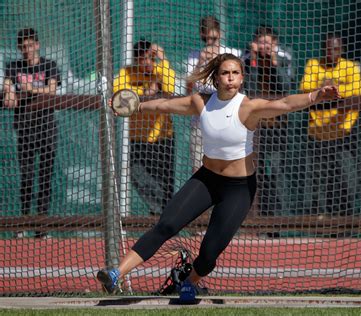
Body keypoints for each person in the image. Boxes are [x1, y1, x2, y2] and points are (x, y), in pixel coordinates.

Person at [97, 53, 340, 303]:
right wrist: (134, 105)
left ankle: (190, 282)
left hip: (239, 188)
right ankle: (116, 274)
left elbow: (287, 103)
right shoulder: (201, 102)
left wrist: (316, 96)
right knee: (167, 224)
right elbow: (163, 105)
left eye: (235, 73)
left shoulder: (249, 107)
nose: (230, 78)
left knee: (210, 250)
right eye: (225, 73)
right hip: (206, 179)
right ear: (216, 77)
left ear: (242, 78)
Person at [3, 28, 61, 238]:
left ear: (37, 44)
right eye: (23, 47)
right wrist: (9, 91)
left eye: (30, 45)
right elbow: (8, 86)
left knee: (45, 179)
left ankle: (41, 226)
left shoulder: (49, 65)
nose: (27, 50)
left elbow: (52, 90)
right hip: (25, 130)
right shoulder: (13, 67)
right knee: (27, 178)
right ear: (19, 49)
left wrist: (29, 89)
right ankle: (23, 222)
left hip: (46, 129)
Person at [299, 33, 361, 214]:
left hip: (344, 133)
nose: (331, 53)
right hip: (318, 134)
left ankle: (344, 218)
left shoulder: (349, 67)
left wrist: (330, 90)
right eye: (328, 49)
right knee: (318, 180)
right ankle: (319, 218)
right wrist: (324, 90)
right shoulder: (314, 64)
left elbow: (356, 89)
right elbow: (304, 87)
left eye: (335, 49)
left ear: (341, 50)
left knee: (346, 178)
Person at [113, 39, 176, 215]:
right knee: (136, 175)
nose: (146, 62)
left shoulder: (160, 71)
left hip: (163, 137)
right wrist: (144, 92)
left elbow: (170, 88)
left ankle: (164, 217)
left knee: (165, 182)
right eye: (142, 59)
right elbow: (119, 91)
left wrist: (162, 60)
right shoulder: (128, 72)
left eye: (149, 58)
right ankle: (158, 211)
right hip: (136, 138)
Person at [242, 25, 294, 216]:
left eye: (268, 43)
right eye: (261, 42)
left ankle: (275, 219)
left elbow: (286, 85)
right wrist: (254, 60)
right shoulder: (247, 61)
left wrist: (273, 61)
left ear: (275, 43)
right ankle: (255, 217)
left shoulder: (284, 59)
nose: (264, 46)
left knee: (276, 171)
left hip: (277, 126)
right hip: (254, 126)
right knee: (256, 170)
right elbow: (250, 86)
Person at [186, 16, 241, 172]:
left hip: (228, 119)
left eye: (214, 38)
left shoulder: (232, 53)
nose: (210, 42)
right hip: (201, 120)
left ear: (220, 34)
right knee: (199, 168)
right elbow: (187, 89)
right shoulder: (194, 56)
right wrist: (200, 63)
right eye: (207, 38)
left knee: (226, 168)